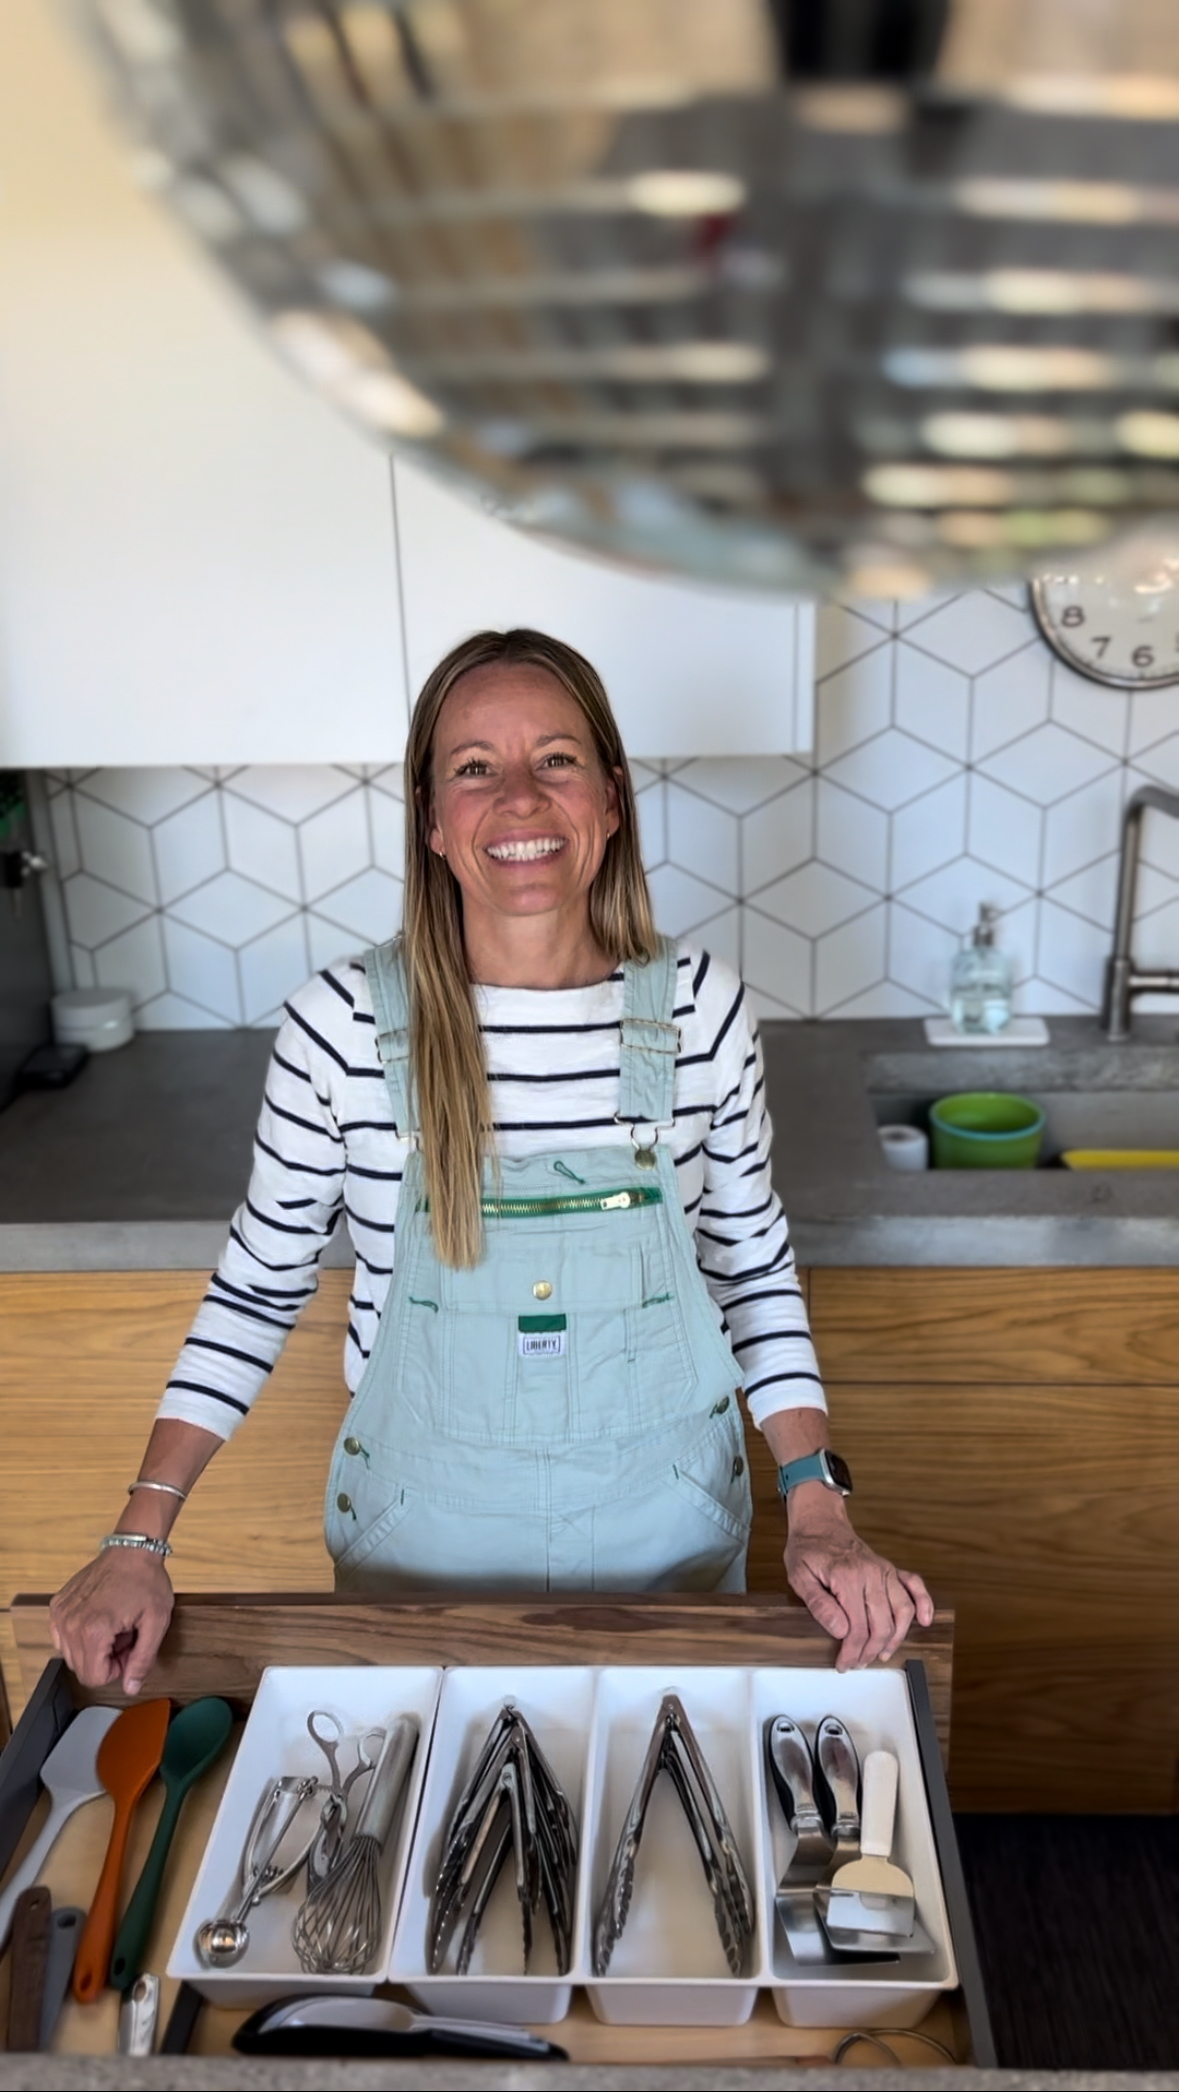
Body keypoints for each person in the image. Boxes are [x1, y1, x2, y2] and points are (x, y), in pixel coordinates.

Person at [51, 629, 933, 1692]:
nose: (520, 797)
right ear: (432, 818)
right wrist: (140, 1538)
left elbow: (749, 1264)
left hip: (670, 1548)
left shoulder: (702, 1011)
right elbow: (258, 1283)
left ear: (610, 796)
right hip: (417, 1567)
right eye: (475, 768)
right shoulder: (340, 1030)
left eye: (555, 759)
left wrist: (817, 1502)